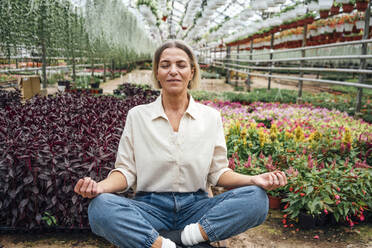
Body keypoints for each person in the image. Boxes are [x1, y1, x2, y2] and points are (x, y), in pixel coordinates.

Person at [74, 40, 287, 248]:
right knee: (100, 207)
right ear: (157, 73)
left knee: (256, 198)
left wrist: (254, 179)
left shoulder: (210, 117)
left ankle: (184, 238)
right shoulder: (138, 116)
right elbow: (126, 172)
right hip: (150, 208)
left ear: (191, 72)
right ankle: (167, 244)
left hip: (196, 207)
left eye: (181, 65)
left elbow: (218, 173)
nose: (173, 71)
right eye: (165, 65)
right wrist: (99, 187)